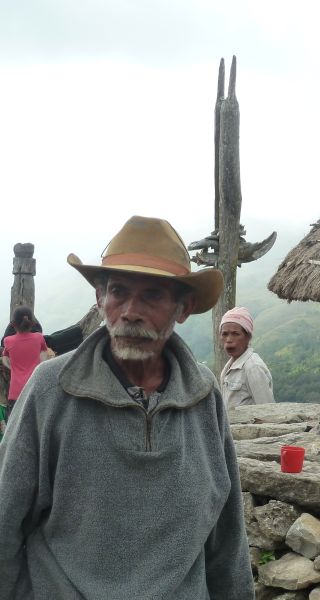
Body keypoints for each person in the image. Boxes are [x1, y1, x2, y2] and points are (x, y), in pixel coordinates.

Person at [0, 216, 254, 600]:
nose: (131, 311)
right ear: (100, 299)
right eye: (118, 291)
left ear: (183, 308)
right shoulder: (51, 389)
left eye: (152, 295)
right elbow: (5, 517)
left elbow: (227, 535)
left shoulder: (203, 396)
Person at [219, 306, 275, 409]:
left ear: (248, 337)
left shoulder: (253, 367)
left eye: (235, 334)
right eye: (224, 334)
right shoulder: (229, 366)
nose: (229, 339)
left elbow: (267, 409)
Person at [1, 307, 48, 421]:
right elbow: (44, 359)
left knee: (17, 425)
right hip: (36, 389)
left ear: (13, 324)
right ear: (32, 323)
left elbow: (5, 358)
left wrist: (12, 367)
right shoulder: (39, 338)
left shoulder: (8, 341)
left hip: (16, 393)